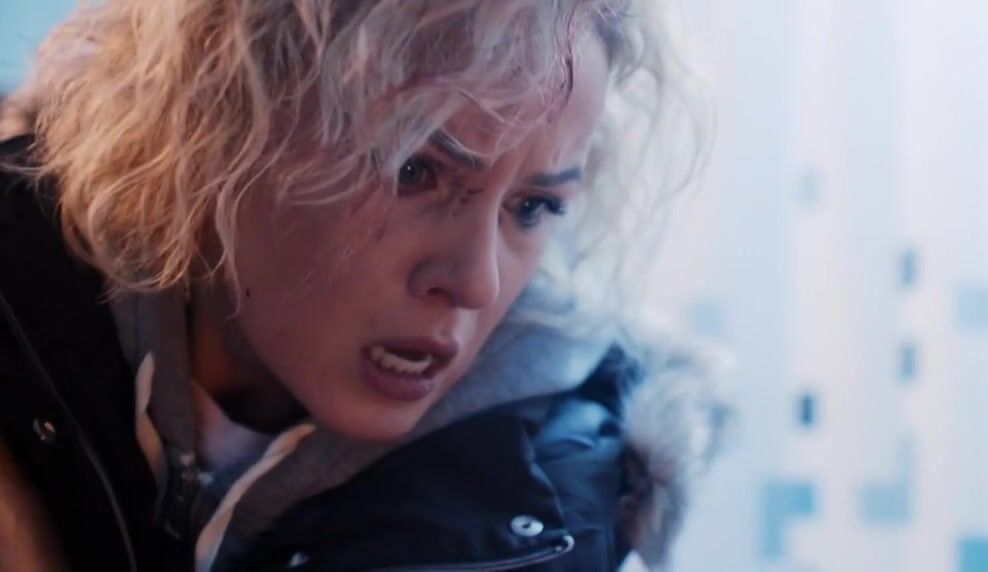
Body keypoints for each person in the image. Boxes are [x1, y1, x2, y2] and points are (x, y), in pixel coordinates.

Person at [0, 0, 729, 570]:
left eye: (533, 207)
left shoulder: (546, 514)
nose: (476, 282)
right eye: (415, 171)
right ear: (218, 119)